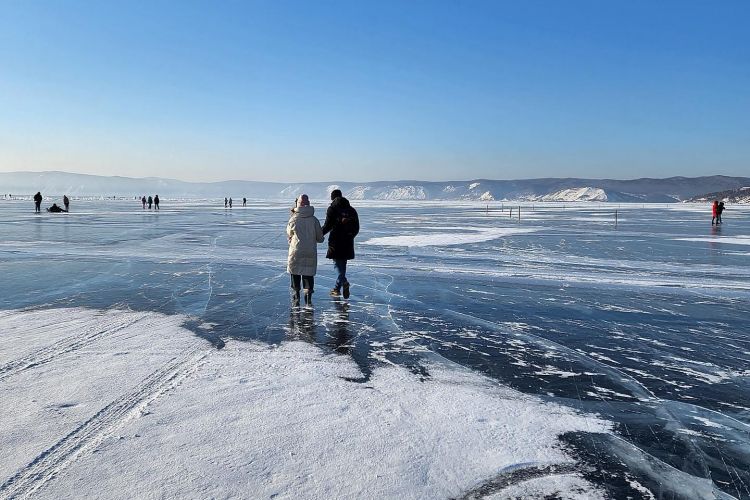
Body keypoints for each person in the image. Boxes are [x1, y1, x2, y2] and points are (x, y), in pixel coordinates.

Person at [287, 194, 324, 306]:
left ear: (298, 204)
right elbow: (320, 238)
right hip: (310, 251)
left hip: (296, 250)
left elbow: (289, 234)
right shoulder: (314, 220)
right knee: (308, 272)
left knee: (295, 271)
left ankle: (296, 294)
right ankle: (308, 297)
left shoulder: (293, 219)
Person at [321, 189, 359, 298]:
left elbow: (327, 226)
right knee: (343, 265)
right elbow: (356, 227)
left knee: (337, 264)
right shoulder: (352, 210)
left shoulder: (332, 209)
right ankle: (337, 289)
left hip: (335, 241)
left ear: (332, 198)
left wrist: (318, 235)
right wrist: (350, 236)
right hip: (347, 241)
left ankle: (344, 282)